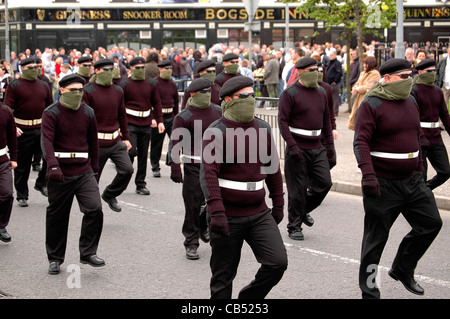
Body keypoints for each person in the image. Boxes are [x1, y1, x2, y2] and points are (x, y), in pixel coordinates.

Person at [353, 58, 443, 299]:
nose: (409, 80)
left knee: (432, 223)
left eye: (411, 75)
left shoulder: (411, 100)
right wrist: (368, 175)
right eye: (404, 77)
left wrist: (420, 166)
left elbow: (418, 133)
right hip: (382, 184)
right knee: (375, 243)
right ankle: (370, 292)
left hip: (412, 181)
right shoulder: (372, 103)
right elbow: (360, 141)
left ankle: (402, 268)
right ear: (388, 78)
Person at [200, 76, 287, 299]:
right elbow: (208, 175)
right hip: (226, 215)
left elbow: (273, 170)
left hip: (258, 212)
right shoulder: (216, 131)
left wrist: (278, 204)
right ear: (228, 100)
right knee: (223, 276)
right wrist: (216, 212)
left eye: (253, 95)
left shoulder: (264, 128)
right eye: (244, 96)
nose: (250, 100)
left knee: (277, 263)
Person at [41, 74, 105, 275]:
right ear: (62, 91)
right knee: (58, 216)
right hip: (60, 170)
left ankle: (87, 252)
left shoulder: (88, 112)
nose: (78, 93)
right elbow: (47, 142)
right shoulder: (51, 113)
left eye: (81, 90)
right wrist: (52, 165)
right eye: (73, 90)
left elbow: (94, 143)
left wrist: (94, 169)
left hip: (83, 169)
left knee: (94, 209)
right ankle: (55, 258)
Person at [278, 57, 336, 241]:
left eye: (317, 68)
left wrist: (330, 148)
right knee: (298, 189)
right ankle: (294, 226)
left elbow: (326, 121)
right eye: (312, 69)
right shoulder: (290, 93)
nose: (316, 72)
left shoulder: (321, 92)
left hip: (317, 146)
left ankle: (302, 211)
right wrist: (292, 145)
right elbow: (282, 121)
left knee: (324, 183)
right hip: (298, 147)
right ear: (301, 71)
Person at [168, 78, 222, 260]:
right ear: (192, 94)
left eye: (209, 91)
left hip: (216, 166)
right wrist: (175, 167)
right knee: (192, 205)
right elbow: (175, 143)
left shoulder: (218, 111)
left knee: (213, 203)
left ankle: (203, 226)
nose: (208, 94)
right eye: (204, 92)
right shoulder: (183, 117)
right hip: (193, 166)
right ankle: (191, 242)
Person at [82, 59, 133, 212]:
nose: (109, 72)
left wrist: (126, 138)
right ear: (96, 71)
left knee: (127, 170)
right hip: (96, 142)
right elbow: (84, 119)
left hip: (115, 140)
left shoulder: (118, 90)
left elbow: (122, 115)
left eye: (111, 69)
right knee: (93, 179)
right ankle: (93, 210)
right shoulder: (88, 91)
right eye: (105, 69)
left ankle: (110, 194)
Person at [4, 57, 53, 207]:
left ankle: (41, 183)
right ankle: (22, 195)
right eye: (30, 68)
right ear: (23, 69)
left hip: (40, 128)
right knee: (22, 165)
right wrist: (12, 127)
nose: (34, 70)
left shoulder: (44, 85)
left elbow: (50, 107)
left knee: (48, 158)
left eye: (35, 67)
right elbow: (7, 109)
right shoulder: (15, 85)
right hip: (22, 130)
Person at [119, 56, 164, 195]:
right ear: (131, 68)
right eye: (137, 68)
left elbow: (156, 102)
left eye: (142, 67)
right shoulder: (124, 84)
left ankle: (140, 184)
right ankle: (123, 179)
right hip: (130, 123)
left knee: (144, 155)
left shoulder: (151, 83)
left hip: (145, 124)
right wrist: (120, 126)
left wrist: (160, 121)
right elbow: (119, 106)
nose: (140, 70)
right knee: (131, 151)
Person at [411, 58, 450, 190]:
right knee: (422, 175)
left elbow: (445, 116)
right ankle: (421, 198)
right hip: (420, 138)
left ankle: (424, 191)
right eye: (429, 71)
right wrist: (420, 136)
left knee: (445, 171)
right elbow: (413, 118)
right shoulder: (414, 91)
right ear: (420, 72)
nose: (433, 73)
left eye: (434, 71)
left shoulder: (437, 91)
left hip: (436, 137)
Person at [150, 60, 179, 178]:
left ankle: (171, 160)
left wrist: (177, 117)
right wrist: (153, 118)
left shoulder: (172, 84)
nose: (169, 71)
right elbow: (150, 101)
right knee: (157, 144)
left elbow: (176, 101)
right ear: (160, 69)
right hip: (158, 117)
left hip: (171, 116)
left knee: (175, 141)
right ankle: (155, 166)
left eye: (170, 68)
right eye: (166, 68)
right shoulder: (155, 83)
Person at [347, 56, 381, 131]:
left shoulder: (375, 74)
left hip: (367, 98)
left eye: (365, 63)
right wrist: (355, 88)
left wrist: (358, 89)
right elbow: (358, 82)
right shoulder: (363, 73)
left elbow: (369, 87)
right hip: (359, 98)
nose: (364, 65)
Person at [0, 102, 18, 242]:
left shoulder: (6, 111)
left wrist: (13, 158)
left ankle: (1, 226)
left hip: (2, 160)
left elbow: (12, 136)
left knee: (7, 193)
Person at [325, 51, 342, 116]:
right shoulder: (330, 63)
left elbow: (339, 73)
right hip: (329, 83)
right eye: (330, 55)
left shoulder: (337, 63)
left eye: (332, 55)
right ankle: (331, 110)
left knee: (335, 98)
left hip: (334, 83)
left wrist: (335, 81)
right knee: (330, 98)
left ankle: (335, 111)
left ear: (335, 55)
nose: (330, 56)